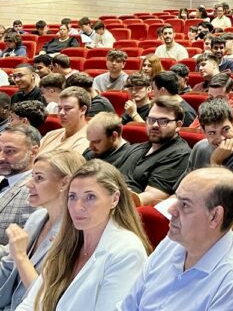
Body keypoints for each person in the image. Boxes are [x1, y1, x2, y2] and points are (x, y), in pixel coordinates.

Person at [117, 168, 233, 311]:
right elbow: (127, 306)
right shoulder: (171, 244)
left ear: (214, 216)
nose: (171, 210)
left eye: (185, 205)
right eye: (176, 199)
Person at [17, 161, 150, 311]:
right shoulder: (66, 242)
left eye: (90, 197)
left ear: (114, 199)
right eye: (72, 197)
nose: (77, 207)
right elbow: (31, 303)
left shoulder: (127, 251)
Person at [0, 150, 85, 311]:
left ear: (65, 183)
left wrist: (21, 256)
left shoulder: (75, 233)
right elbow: (8, 266)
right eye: (32, 176)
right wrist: (16, 254)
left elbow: (46, 300)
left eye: (38, 178)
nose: (28, 184)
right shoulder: (37, 217)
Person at [119, 96, 191, 207]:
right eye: (151, 120)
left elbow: (149, 198)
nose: (155, 125)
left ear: (178, 125)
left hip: (128, 209)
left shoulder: (180, 155)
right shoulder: (138, 147)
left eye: (163, 121)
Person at [180, 98, 233, 193]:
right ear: (203, 132)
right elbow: (183, 188)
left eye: (225, 129)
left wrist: (215, 162)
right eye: (212, 133)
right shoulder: (200, 147)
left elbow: (230, 200)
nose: (221, 138)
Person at [0, 126, 40, 247]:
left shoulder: (35, 190)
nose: (1, 157)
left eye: (10, 151)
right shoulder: (4, 179)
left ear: (33, 152)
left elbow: (25, 247)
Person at [39, 87, 90, 155]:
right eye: (59, 108)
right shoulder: (50, 135)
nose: (61, 113)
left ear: (83, 110)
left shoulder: (88, 140)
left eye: (67, 108)